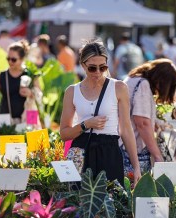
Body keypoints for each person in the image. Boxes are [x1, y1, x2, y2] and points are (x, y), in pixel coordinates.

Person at [60, 39, 141, 185]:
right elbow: (64, 134)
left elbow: (126, 129)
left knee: (111, 201)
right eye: (92, 68)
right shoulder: (72, 91)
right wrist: (86, 124)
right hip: (81, 151)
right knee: (79, 202)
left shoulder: (118, 87)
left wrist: (136, 167)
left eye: (102, 67)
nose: (98, 72)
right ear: (82, 65)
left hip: (109, 151)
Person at [122, 59, 176, 175]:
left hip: (122, 145)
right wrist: (157, 155)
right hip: (133, 150)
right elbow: (142, 123)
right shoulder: (143, 85)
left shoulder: (133, 79)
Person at [0, 40, 42, 126]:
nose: (10, 62)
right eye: (8, 58)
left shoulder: (31, 74)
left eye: (13, 59)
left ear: (22, 59)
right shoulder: (2, 75)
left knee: (31, 138)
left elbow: (40, 95)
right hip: (5, 117)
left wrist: (30, 93)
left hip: (30, 115)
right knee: (6, 138)